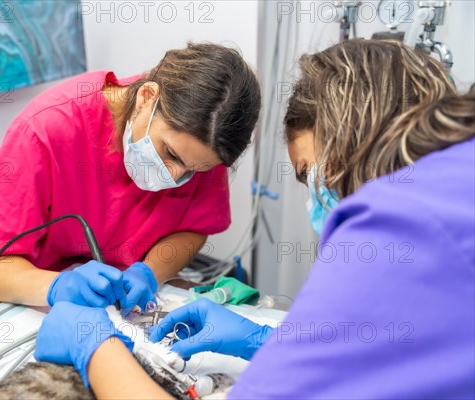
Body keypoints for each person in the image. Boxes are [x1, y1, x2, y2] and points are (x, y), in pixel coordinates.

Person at [34, 39, 475, 398]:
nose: (314, 204)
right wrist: (270, 343)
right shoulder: (454, 181)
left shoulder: (395, 223)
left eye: (307, 175)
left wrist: (95, 348)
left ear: (349, 138)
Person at [0, 42, 261, 314]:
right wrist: (57, 286)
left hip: (127, 306)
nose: (175, 176)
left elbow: (194, 229)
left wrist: (150, 272)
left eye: (194, 171)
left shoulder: (204, 144)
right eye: (170, 154)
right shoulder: (47, 130)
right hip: (42, 304)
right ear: (146, 97)